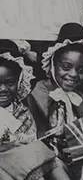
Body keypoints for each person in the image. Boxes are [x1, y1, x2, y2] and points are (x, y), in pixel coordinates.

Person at [27, 24, 83, 167]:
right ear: (53, 65)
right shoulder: (38, 93)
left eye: (81, 69)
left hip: (77, 160)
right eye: (66, 67)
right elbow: (34, 134)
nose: (74, 74)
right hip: (46, 161)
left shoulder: (80, 99)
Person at [0, 42, 71, 180]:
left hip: (23, 161)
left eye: (9, 83)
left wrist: (19, 143)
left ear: (19, 81)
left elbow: (30, 139)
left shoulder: (22, 112)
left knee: (44, 154)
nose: (3, 89)